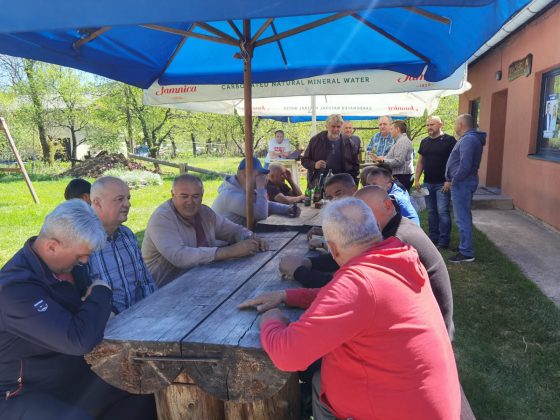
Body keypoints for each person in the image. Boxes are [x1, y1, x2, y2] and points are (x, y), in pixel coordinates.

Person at [239, 198, 460, 420]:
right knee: (318, 379)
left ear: (333, 249)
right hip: (425, 402)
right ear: (375, 228)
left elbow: (288, 355)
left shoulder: (359, 284)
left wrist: (271, 320)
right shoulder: (397, 255)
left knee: (317, 379)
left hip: (397, 411)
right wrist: (287, 296)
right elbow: (342, 298)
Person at [0, 200, 156, 420]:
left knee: (142, 390)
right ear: (52, 246)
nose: (85, 261)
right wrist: (101, 291)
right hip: (21, 390)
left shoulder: (70, 267)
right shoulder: (14, 289)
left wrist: (92, 310)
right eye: (80, 255)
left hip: (71, 374)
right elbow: (78, 340)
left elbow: (93, 319)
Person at [282, 186, 455, 340]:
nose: (360, 221)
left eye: (365, 214)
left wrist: (299, 272)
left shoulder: (397, 240)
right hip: (423, 328)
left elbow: (346, 291)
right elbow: (349, 260)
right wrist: (310, 263)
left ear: (387, 205)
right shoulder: (397, 228)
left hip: (431, 333)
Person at [142, 174, 268, 286]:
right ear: (173, 195)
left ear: (202, 196)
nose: (190, 202)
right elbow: (179, 257)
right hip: (162, 290)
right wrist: (230, 251)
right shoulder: (162, 218)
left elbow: (233, 230)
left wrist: (250, 238)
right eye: (184, 196)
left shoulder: (205, 213)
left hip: (198, 281)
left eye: (195, 196)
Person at [89, 176, 157, 314]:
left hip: (141, 317)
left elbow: (145, 282)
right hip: (107, 323)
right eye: (120, 199)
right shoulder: (82, 241)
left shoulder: (126, 235)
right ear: (97, 203)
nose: (128, 204)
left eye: (128, 198)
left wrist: (153, 310)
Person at [445, 114, 487, 263]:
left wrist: (454, 180)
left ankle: (466, 252)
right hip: (462, 182)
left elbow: (465, 165)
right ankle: (464, 246)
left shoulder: (469, 139)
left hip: (462, 183)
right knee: (462, 217)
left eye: (456, 123)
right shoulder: (469, 138)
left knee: (462, 218)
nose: (455, 126)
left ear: (461, 125)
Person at [212, 157, 299, 226]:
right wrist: (261, 187)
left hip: (240, 237)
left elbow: (266, 204)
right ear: (246, 173)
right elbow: (261, 214)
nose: (261, 177)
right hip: (226, 242)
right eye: (258, 175)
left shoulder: (243, 188)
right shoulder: (230, 195)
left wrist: (287, 209)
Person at [414, 116, 457, 249]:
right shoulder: (425, 142)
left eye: (432, 124)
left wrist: (449, 180)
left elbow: (455, 162)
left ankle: (444, 241)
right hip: (428, 183)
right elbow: (420, 162)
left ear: (440, 125)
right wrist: (417, 179)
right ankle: (433, 238)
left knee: (442, 211)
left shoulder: (449, 140)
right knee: (431, 212)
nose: (429, 127)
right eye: (427, 125)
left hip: (442, 184)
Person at [301, 114, 360, 186]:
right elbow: (304, 160)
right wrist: (314, 165)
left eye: (338, 127)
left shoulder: (348, 142)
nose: (336, 129)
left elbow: (355, 166)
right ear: (327, 126)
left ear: (341, 127)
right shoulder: (316, 141)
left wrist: (354, 183)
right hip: (320, 182)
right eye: (333, 126)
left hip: (342, 182)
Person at [373, 120, 414, 191]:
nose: (390, 131)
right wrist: (383, 158)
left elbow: (398, 161)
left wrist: (383, 160)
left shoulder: (402, 141)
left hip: (402, 177)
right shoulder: (400, 140)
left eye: (391, 129)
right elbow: (396, 158)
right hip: (401, 176)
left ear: (397, 129)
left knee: (399, 197)